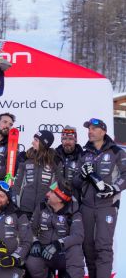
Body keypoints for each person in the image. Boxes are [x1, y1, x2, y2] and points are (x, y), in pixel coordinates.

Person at [74, 118, 126, 278]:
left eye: (93, 129)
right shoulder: (84, 153)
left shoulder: (117, 152)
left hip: (107, 206)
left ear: (103, 131)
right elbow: (75, 181)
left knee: (103, 246)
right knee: (88, 246)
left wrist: (113, 189)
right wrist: (82, 175)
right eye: (88, 129)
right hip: (87, 206)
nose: (90, 131)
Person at [26, 181, 84, 278]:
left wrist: (58, 244)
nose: (47, 194)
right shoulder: (41, 207)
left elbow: (78, 236)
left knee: (75, 250)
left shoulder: (73, 212)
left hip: (63, 252)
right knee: (32, 260)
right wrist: (35, 242)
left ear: (60, 199)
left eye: (52, 192)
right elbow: (30, 229)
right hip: (44, 250)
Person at [13, 130, 62, 217]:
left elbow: (57, 184)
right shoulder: (25, 158)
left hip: (45, 209)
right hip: (24, 209)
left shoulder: (55, 161)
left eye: (36, 140)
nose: (32, 142)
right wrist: (16, 202)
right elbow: (17, 184)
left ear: (44, 143)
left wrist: (49, 201)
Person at [55, 126, 83, 198]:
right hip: (57, 201)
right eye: (64, 139)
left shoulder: (83, 157)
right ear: (61, 140)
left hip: (76, 202)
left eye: (71, 139)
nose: (67, 142)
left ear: (75, 140)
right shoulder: (54, 156)